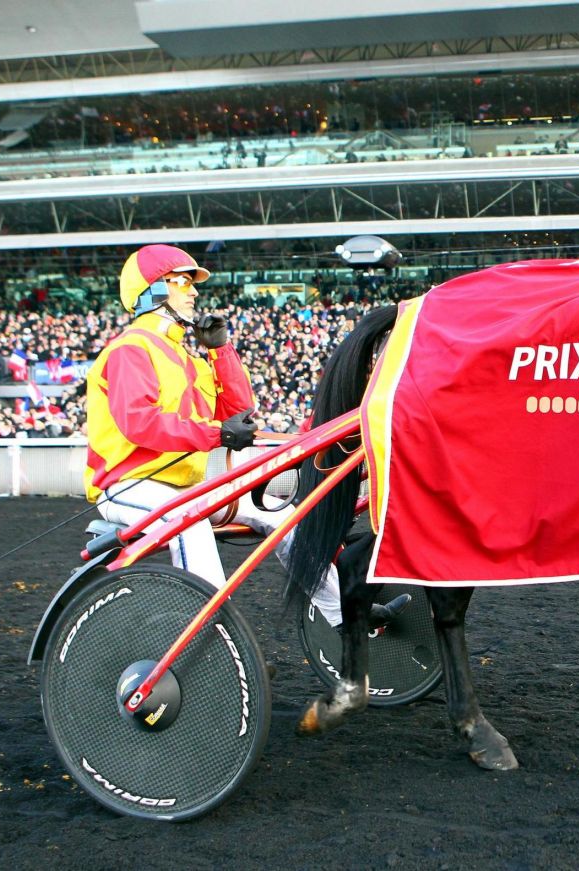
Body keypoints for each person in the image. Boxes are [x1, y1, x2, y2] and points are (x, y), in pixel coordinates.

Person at [83, 245, 392, 629]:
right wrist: (216, 434)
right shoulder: (130, 350)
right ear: (153, 292)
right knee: (190, 523)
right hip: (128, 485)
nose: (194, 292)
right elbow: (140, 423)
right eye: (181, 283)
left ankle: (344, 614)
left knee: (279, 514)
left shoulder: (188, 356)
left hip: (181, 488)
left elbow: (239, 412)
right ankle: (214, 631)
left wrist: (220, 350)